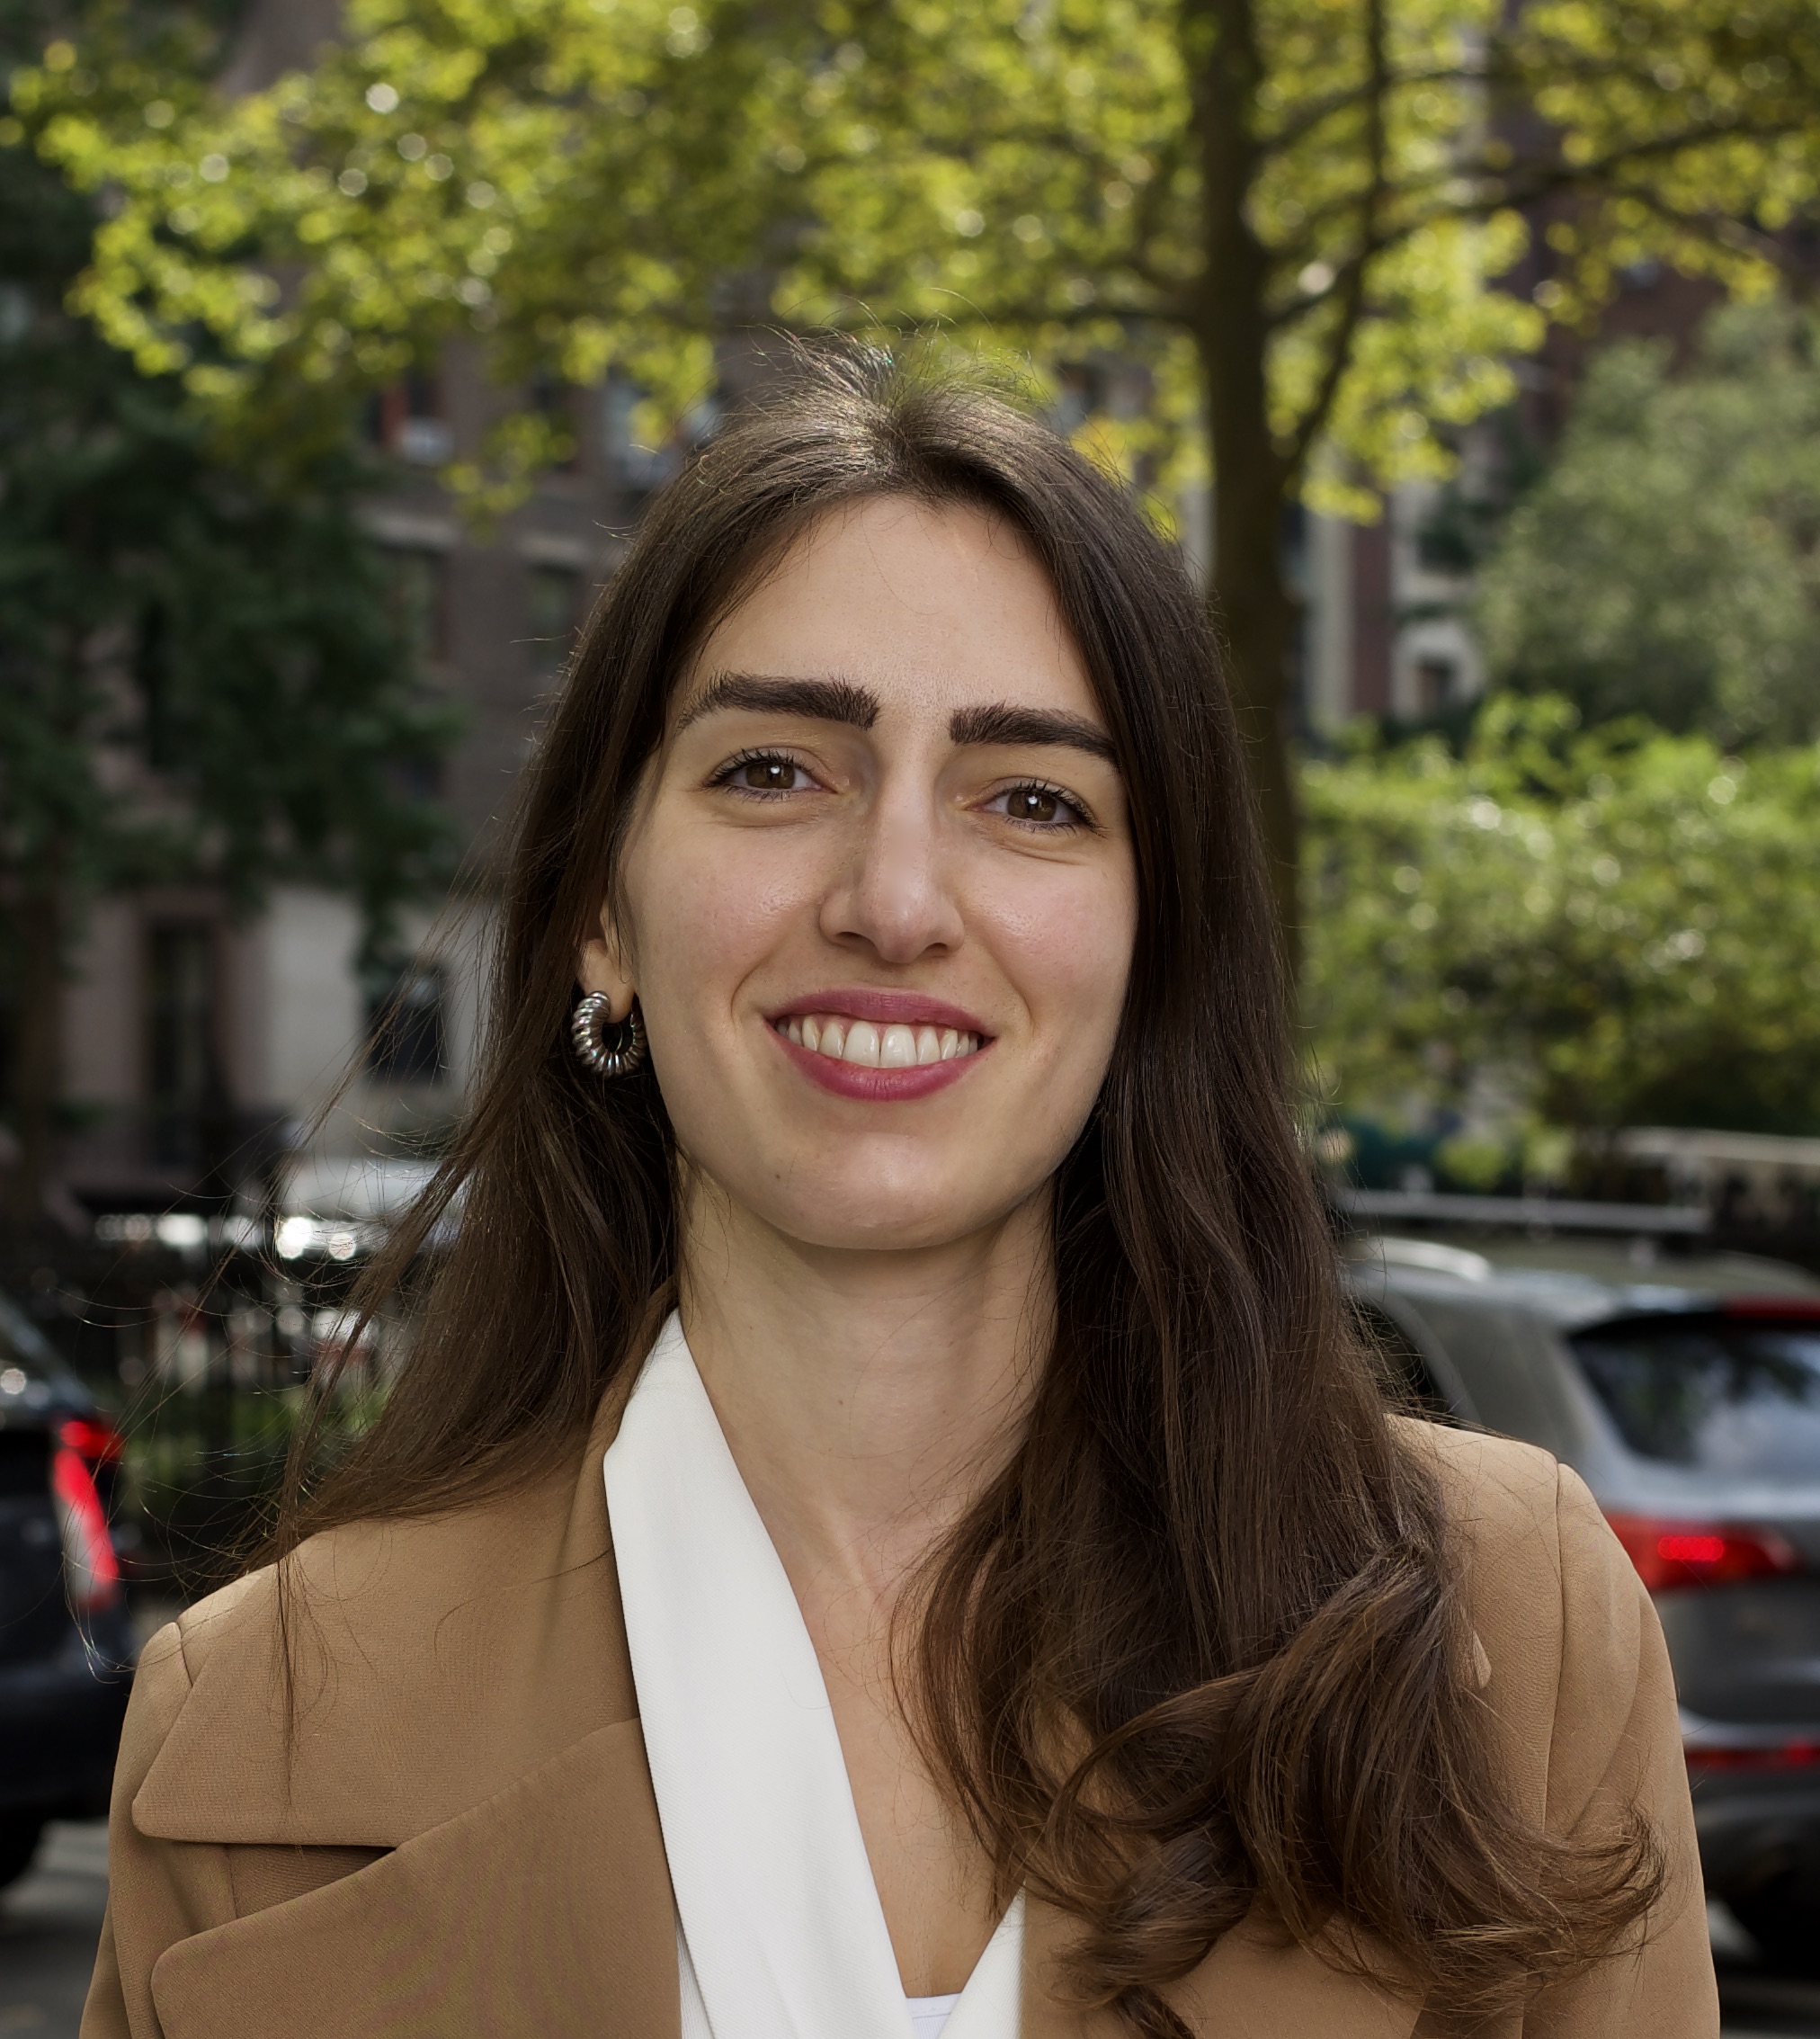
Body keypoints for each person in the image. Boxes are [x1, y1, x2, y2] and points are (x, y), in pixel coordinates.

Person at [83, 350, 1716, 2039]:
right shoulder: (248, 1723)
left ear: (1151, 953)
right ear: (602, 916)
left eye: (1031, 799)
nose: (897, 898)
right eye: (775, 770)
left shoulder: (1518, 1631)